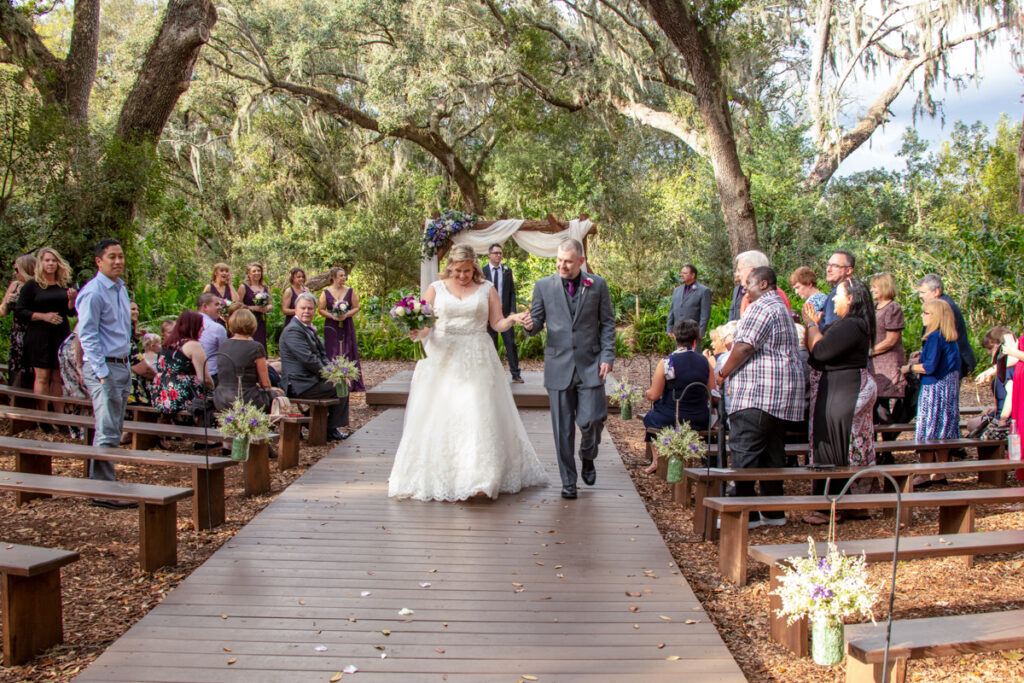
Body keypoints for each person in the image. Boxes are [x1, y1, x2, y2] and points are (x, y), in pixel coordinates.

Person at [389, 245, 547, 501]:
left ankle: (480, 479)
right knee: (441, 415)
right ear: (449, 266)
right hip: (442, 358)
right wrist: (416, 333)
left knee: (477, 412)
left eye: (467, 270)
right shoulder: (435, 289)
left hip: (477, 357)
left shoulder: (487, 288)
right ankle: (442, 475)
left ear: (474, 267)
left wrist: (514, 319)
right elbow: (426, 326)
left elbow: (496, 323)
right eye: (457, 270)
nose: (462, 275)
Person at [523, 239, 616, 500]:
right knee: (562, 430)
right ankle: (568, 481)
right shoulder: (543, 286)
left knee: (593, 419)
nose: (562, 265)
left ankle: (588, 456)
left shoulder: (597, 285)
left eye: (568, 261)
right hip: (558, 366)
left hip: (591, 365)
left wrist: (607, 356)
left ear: (581, 261)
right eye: (559, 260)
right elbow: (537, 321)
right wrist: (529, 325)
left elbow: (607, 323)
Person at [716, 267, 805, 528]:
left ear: (763, 284)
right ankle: (772, 510)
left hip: (757, 394)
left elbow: (745, 346)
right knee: (772, 454)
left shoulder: (761, 307)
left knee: (745, 453)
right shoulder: (781, 308)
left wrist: (722, 372)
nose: (744, 289)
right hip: (779, 397)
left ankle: (744, 514)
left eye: (748, 284)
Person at [803, 279, 878, 520]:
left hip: (843, 389)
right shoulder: (851, 324)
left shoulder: (852, 325)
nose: (833, 298)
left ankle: (830, 507)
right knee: (841, 442)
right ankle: (847, 503)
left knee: (836, 443)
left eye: (839, 295)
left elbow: (821, 351)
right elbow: (819, 357)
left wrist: (811, 325)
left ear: (852, 299)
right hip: (839, 385)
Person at [75, 239, 134, 508]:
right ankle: (102, 490)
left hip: (121, 364)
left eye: (121, 256)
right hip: (104, 367)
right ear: (99, 261)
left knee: (116, 426)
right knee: (108, 428)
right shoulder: (94, 292)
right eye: (112, 257)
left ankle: (106, 483)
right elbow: (86, 334)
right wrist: (100, 373)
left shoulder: (121, 289)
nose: (118, 261)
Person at [642, 319, 714, 474]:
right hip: (700, 418)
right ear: (695, 340)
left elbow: (655, 395)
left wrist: (647, 394)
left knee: (649, 419)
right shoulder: (705, 362)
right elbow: (712, 392)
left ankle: (656, 460)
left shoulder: (668, 362)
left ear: (675, 338)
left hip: (672, 416)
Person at [902, 299, 961, 487]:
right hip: (948, 389)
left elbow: (929, 367)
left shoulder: (935, 337)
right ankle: (940, 472)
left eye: (926, 313)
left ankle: (925, 472)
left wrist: (909, 368)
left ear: (936, 317)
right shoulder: (949, 338)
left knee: (929, 429)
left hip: (934, 388)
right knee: (943, 429)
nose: (922, 316)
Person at [15, 247, 77, 424]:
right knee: (42, 376)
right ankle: (42, 419)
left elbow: (71, 313)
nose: (51, 264)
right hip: (39, 335)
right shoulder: (32, 286)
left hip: (59, 333)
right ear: (40, 263)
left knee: (58, 376)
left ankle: (58, 418)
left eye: (54, 260)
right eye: (47, 260)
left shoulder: (65, 284)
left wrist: (72, 300)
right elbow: (20, 311)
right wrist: (43, 316)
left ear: (59, 263)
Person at [279, 293, 350, 441]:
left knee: (342, 384)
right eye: (303, 308)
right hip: (299, 383)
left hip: (310, 380)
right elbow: (309, 360)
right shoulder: (293, 330)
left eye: (310, 308)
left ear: (314, 310)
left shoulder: (306, 328)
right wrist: (331, 378)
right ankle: (328, 429)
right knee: (340, 388)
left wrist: (338, 375)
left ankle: (316, 424)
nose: (306, 311)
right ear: (295, 309)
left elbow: (322, 356)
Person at [213, 309, 281, 413]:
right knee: (279, 395)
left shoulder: (223, 345)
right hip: (246, 399)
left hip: (221, 399)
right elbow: (265, 382)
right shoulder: (256, 347)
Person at [152, 310, 214, 417]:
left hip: (163, 397)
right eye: (201, 326)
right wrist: (214, 388)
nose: (203, 329)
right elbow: (204, 378)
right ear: (192, 327)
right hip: (185, 399)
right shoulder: (193, 345)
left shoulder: (166, 344)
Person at [916, 274, 976, 378]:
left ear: (936, 292)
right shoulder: (938, 305)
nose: (920, 296)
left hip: (949, 364)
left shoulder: (944, 307)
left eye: (923, 292)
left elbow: (941, 338)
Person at [482, 243, 524, 383]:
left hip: (505, 314)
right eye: (496, 253)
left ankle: (515, 373)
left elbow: (512, 292)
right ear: (489, 254)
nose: (498, 255)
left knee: (510, 343)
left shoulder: (507, 271)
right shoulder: (483, 272)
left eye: (500, 253)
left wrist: (513, 311)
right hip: (488, 315)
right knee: (491, 344)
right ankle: (493, 373)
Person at [319, 266, 366, 391]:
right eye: (341, 276)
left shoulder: (350, 291)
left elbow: (356, 307)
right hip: (331, 325)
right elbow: (321, 309)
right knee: (332, 350)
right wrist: (333, 316)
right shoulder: (325, 292)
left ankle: (350, 380)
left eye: (344, 275)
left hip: (346, 324)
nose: (344, 278)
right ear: (334, 278)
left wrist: (346, 315)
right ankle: (332, 379)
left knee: (348, 348)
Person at [868, 273, 906, 425]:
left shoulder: (893, 308)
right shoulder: (874, 307)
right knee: (873, 403)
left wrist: (872, 351)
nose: (872, 290)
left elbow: (891, 339)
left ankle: (887, 445)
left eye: (875, 287)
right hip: (874, 363)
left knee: (882, 404)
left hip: (887, 361)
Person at [1, 254, 36, 388]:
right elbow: (2, 312)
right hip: (17, 332)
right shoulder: (14, 285)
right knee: (16, 367)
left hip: (33, 330)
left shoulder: (37, 286)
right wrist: (8, 302)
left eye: (17, 270)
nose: (15, 273)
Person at [732, 250, 791, 318]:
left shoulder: (776, 296)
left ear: (753, 270)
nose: (737, 274)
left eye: (739, 270)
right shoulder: (746, 297)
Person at [667, 264, 712, 338]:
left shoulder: (703, 291)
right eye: (681, 273)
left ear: (693, 275)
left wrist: (700, 332)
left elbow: (705, 314)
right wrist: (669, 329)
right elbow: (671, 311)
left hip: (693, 333)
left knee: (694, 350)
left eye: (685, 273)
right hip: (678, 333)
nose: (682, 275)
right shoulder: (677, 290)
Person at [817, 250, 856, 331]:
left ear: (848, 270)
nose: (828, 269)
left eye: (835, 266)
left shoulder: (839, 295)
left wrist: (812, 325)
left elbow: (831, 331)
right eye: (828, 265)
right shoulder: (857, 289)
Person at [236, 262, 270, 349]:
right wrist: (253, 308)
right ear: (249, 273)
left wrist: (266, 308)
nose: (257, 273)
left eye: (259, 271)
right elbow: (237, 305)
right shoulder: (244, 287)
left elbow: (270, 305)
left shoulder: (265, 287)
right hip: (248, 319)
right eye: (254, 271)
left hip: (261, 319)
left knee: (260, 342)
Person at [197, 292, 228, 385]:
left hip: (192, 375)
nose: (220, 307)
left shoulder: (187, 323)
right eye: (216, 304)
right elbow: (225, 354)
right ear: (205, 306)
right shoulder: (216, 328)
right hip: (212, 375)